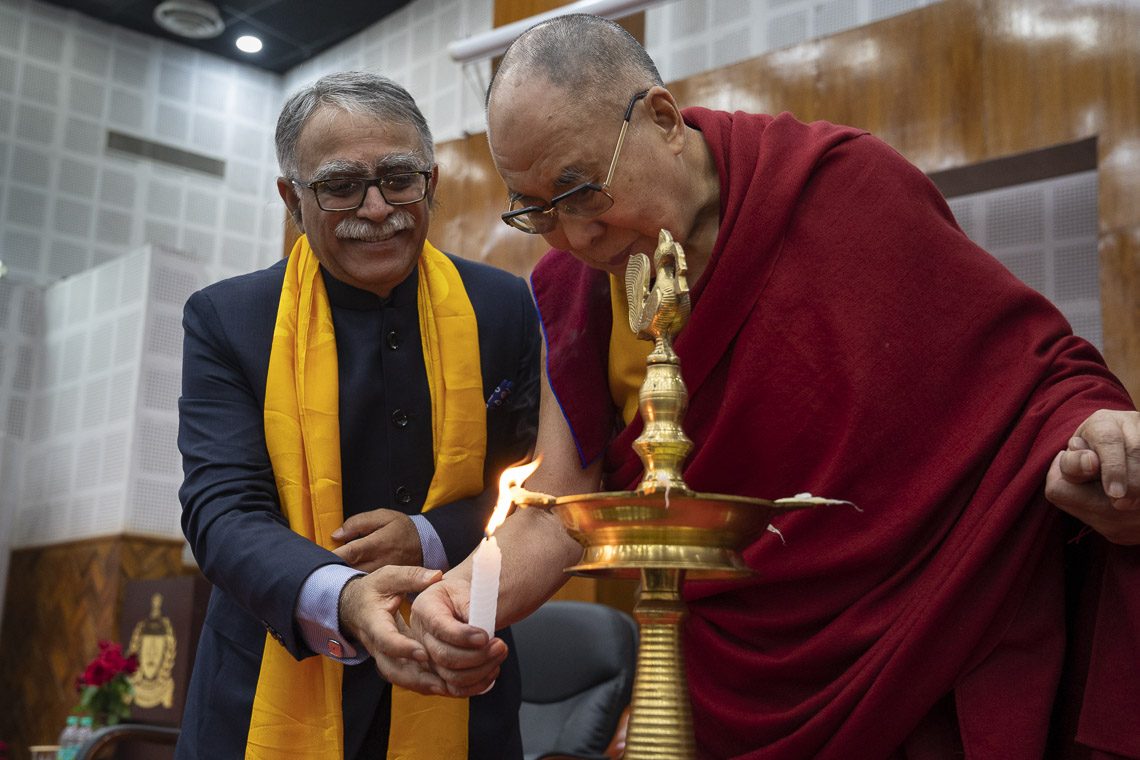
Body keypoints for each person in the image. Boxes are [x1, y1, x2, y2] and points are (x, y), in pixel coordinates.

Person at [377, 14, 1140, 760]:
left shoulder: (843, 190)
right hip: (729, 673)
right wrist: (460, 595)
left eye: (582, 193)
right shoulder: (572, 288)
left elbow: (1025, 378)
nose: (575, 239)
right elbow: (559, 502)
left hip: (925, 637)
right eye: (537, 210)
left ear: (663, 119)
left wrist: (1095, 433)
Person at [176, 71, 539, 760]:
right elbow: (222, 513)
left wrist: (428, 537)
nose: (378, 209)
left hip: (464, 675)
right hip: (267, 685)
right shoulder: (228, 320)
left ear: (431, 183)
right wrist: (345, 597)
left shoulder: (503, 307)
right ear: (293, 197)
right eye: (341, 186)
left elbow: (534, 494)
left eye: (400, 178)